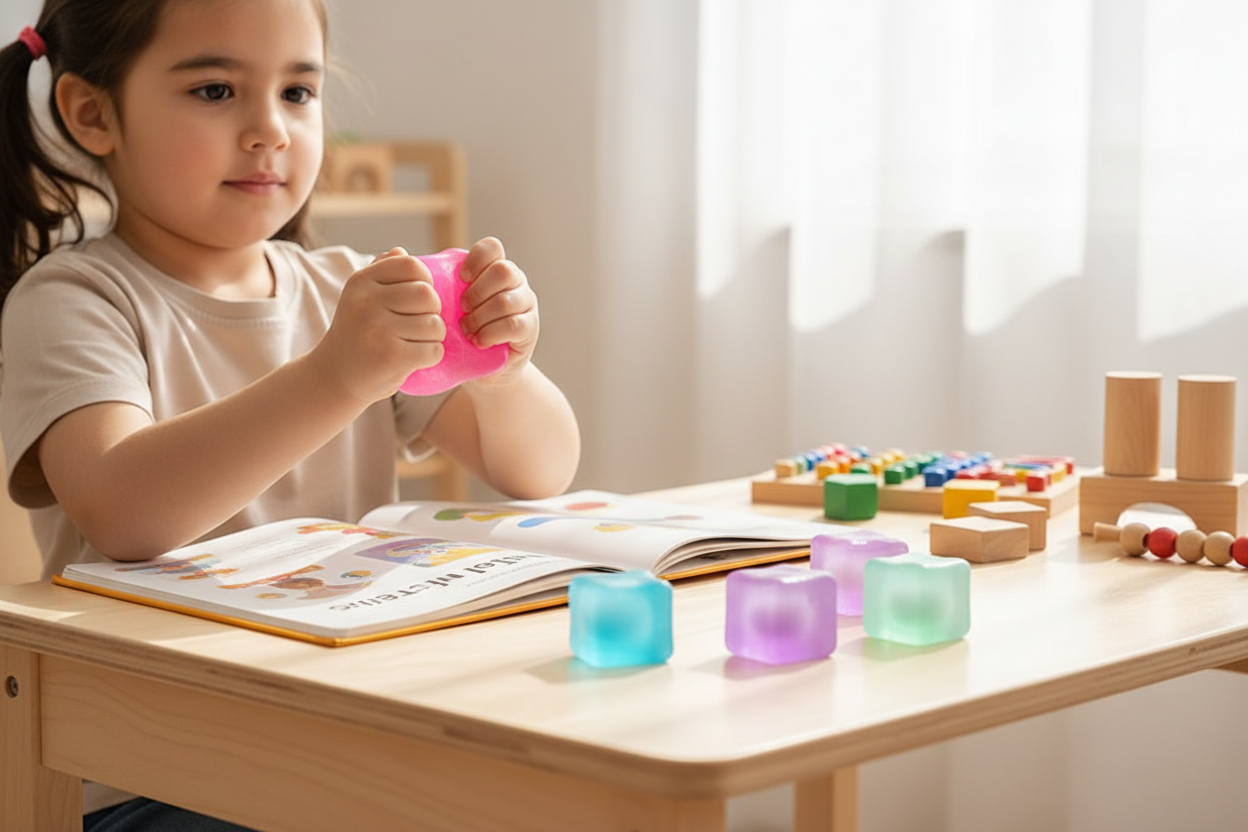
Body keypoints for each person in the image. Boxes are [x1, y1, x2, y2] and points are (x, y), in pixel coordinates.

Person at [0, 0, 580, 828]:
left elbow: (540, 469)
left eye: (298, 94)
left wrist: (501, 370)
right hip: (156, 769)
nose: (270, 129)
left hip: (345, 731)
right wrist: (337, 376)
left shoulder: (337, 288)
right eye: (213, 91)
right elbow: (124, 511)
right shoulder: (73, 300)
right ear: (94, 114)